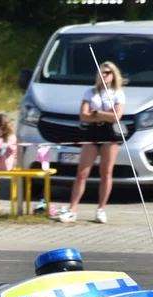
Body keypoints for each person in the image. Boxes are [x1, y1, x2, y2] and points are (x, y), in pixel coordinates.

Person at [55, 61, 126, 224]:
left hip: (110, 133)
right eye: (101, 72)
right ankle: (73, 209)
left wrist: (97, 113)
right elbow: (83, 115)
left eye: (107, 72)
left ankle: (101, 209)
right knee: (82, 172)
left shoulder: (118, 93)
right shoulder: (90, 92)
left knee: (106, 172)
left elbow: (116, 116)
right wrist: (102, 115)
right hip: (92, 131)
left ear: (114, 75)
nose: (104, 75)